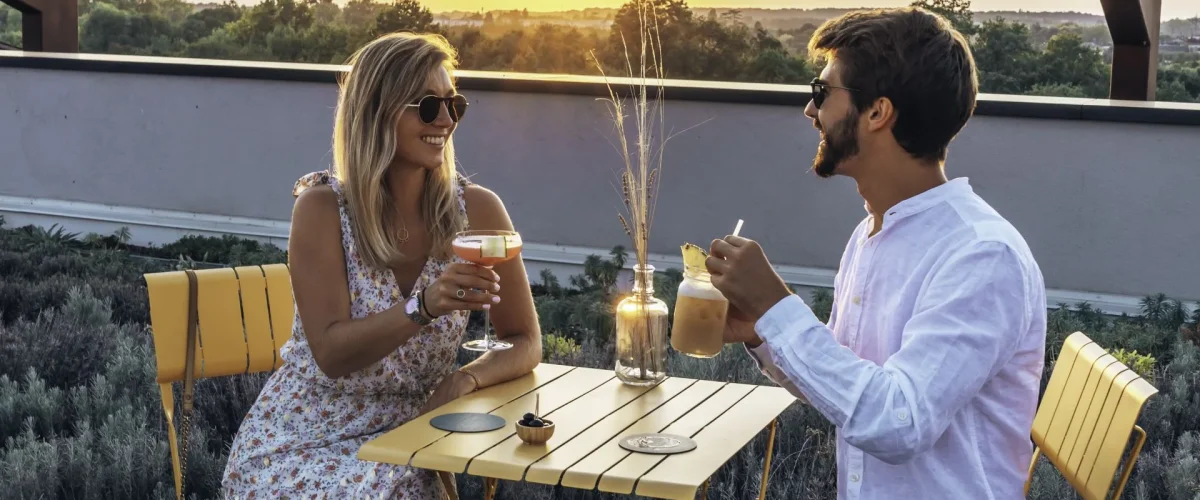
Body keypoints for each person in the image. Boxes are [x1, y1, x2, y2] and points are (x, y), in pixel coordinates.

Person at [705, 8, 1047, 500]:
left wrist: (778, 308)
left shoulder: (981, 255)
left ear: (877, 112)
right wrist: (763, 331)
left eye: (822, 93)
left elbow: (897, 422)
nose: (809, 110)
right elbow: (849, 392)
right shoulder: (874, 231)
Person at [222, 32, 542, 498]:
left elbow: (525, 340)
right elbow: (331, 354)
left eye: (455, 105)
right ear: (377, 111)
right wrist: (425, 305)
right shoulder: (322, 209)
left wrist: (467, 377)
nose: (446, 120)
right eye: (428, 106)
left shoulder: (478, 212)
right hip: (304, 436)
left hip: (416, 431)